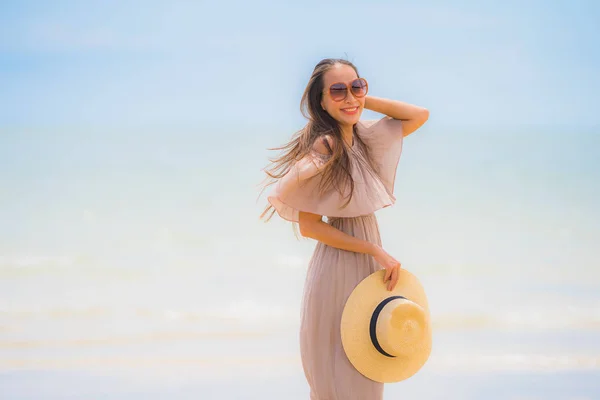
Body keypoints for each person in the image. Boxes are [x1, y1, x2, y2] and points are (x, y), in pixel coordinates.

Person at [259, 58, 429, 400]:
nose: (349, 97)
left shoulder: (364, 138)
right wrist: (373, 250)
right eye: (337, 90)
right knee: (337, 378)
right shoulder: (326, 146)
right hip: (339, 268)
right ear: (320, 101)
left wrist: (361, 100)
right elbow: (309, 227)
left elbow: (418, 115)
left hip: (368, 267)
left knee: (367, 372)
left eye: (356, 86)